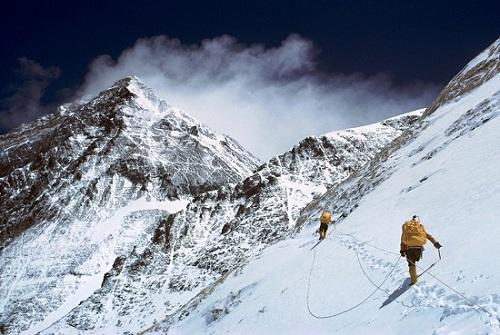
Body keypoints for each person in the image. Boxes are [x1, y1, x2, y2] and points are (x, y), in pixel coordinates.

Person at [400, 215, 442, 285]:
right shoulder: (419, 228)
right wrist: (435, 243)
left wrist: (402, 251)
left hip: (409, 249)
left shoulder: (407, 229)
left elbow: (402, 241)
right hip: (418, 249)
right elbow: (428, 236)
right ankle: (414, 276)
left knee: (411, 264)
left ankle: (413, 280)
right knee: (414, 261)